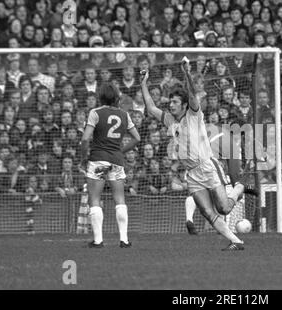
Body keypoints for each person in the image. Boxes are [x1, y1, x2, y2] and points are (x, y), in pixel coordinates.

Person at [140, 57, 253, 251]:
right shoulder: (169, 120)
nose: (171, 105)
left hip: (208, 166)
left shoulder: (194, 114)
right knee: (208, 213)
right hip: (192, 174)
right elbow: (150, 107)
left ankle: (240, 186)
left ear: (184, 105)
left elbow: (192, 94)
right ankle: (236, 241)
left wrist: (186, 73)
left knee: (223, 208)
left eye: (175, 102)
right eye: (171, 102)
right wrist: (143, 83)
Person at [80, 82, 141, 248]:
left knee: (94, 198)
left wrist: (83, 156)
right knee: (120, 199)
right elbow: (137, 137)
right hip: (116, 160)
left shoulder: (95, 113)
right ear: (116, 97)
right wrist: (121, 150)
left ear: (101, 96)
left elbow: (85, 139)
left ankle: (98, 240)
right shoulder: (124, 114)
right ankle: (124, 239)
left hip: (98, 159)